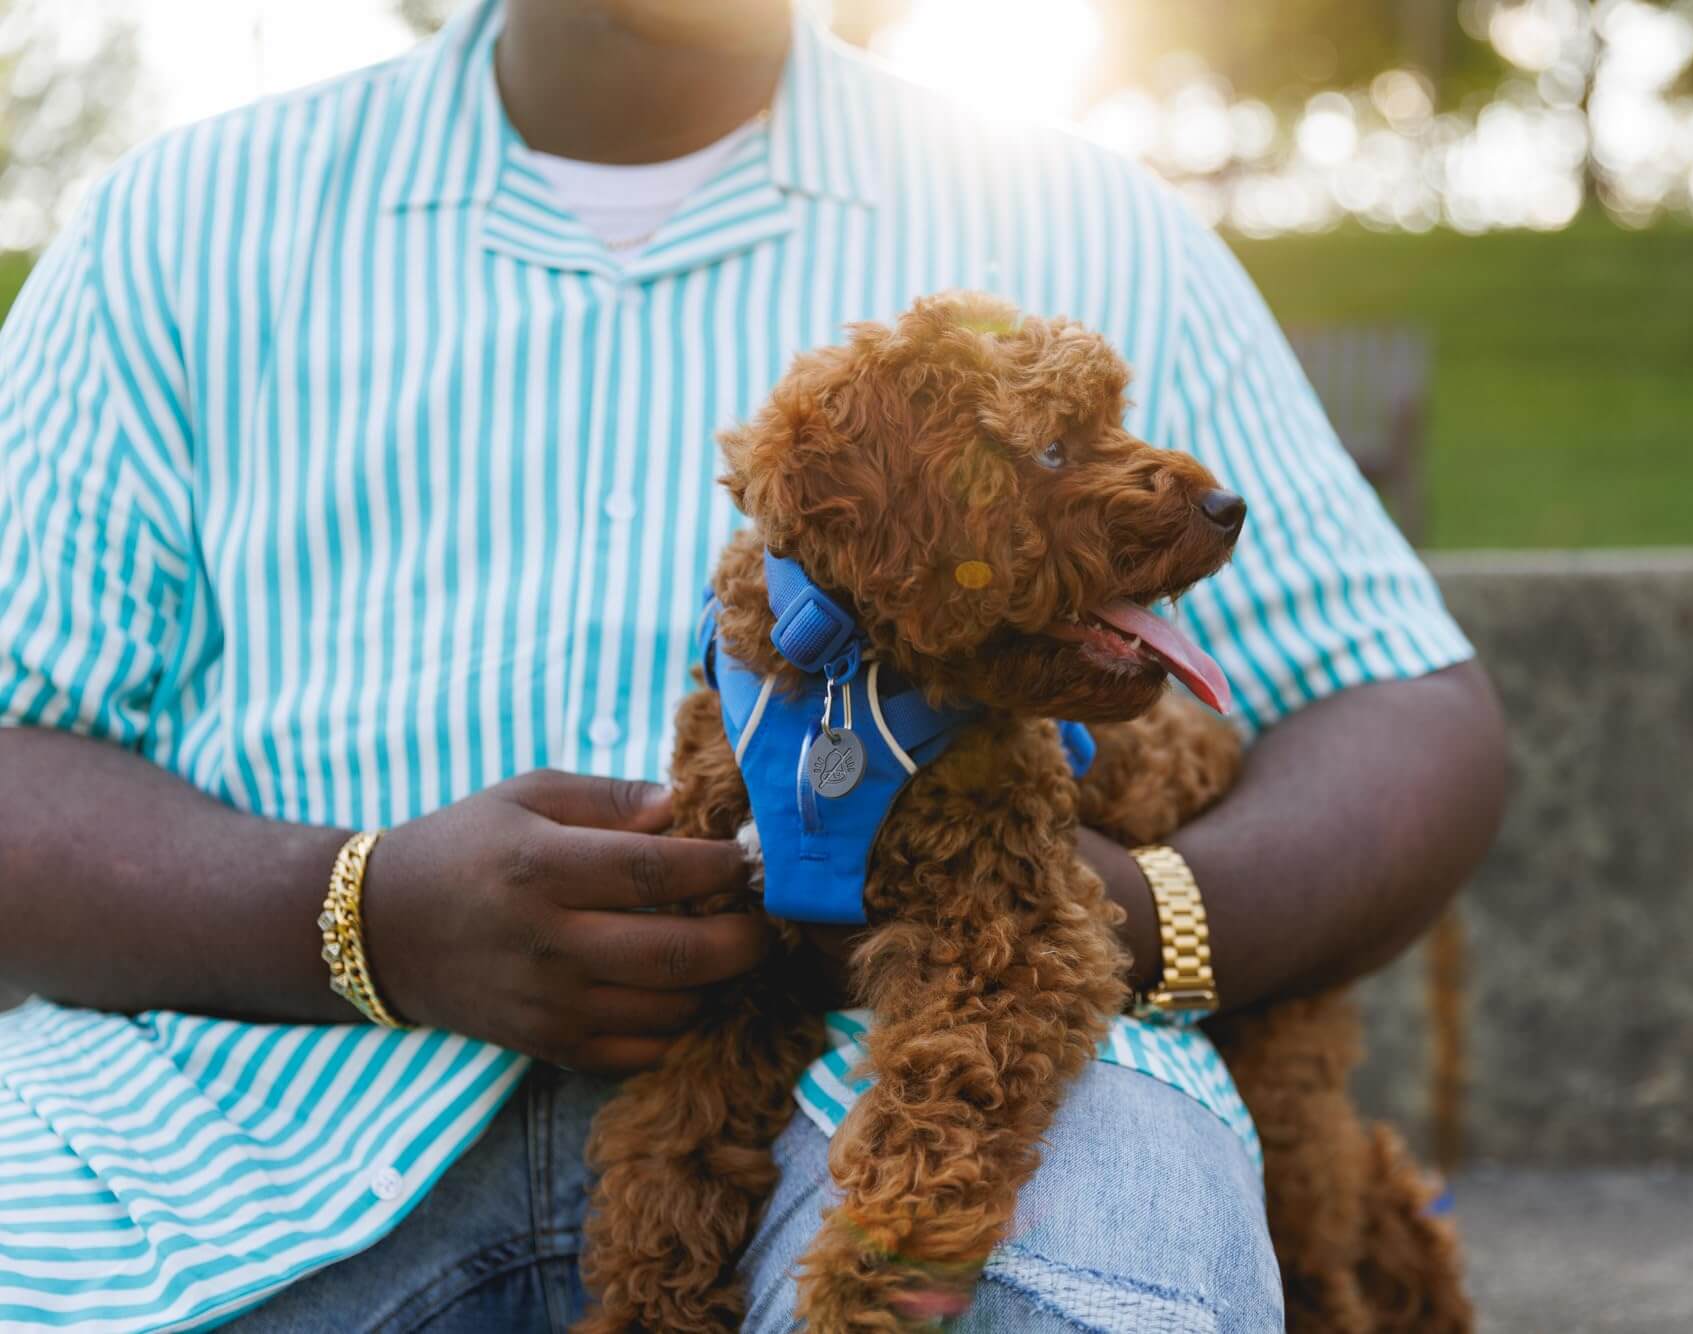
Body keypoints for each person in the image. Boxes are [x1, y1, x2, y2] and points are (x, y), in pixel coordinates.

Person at [0, 1, 1507, 1329]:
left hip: (921, 1095)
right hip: (226, 1136)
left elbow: (1404, 704)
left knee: (1085, 1278)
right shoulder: (179, 225)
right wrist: (358, 915)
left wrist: (1131, 916)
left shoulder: (1081, 210)